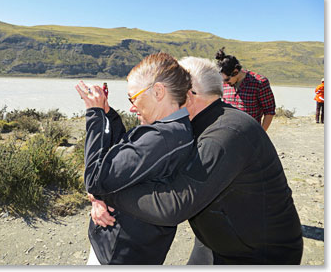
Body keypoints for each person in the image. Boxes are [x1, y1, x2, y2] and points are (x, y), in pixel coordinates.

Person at [93, 56, 303, 265]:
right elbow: (136, 159)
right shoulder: (190, 127)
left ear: (188, 94)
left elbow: (173, 205)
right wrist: (109, 118)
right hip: (215, 242)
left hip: (261, 254)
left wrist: (107, 192)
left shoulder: (226, 133)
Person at [74, 52, 194, 265]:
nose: (131, 106)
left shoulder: (162, 138)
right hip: (133, 247)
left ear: (158, 91)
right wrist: (108, 114)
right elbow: (126, 152)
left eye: (133, 97)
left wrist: (94, 114)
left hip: (119, 253)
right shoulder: (171, 130)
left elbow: (94, 178)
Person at [215, 47, 276, 131]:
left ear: (235, 71)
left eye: (226, 80)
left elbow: (269, 111)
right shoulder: (224, 84)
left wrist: (261, 134)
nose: (224, 83)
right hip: (228, 133)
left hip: (251, 134)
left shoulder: (260, 83)